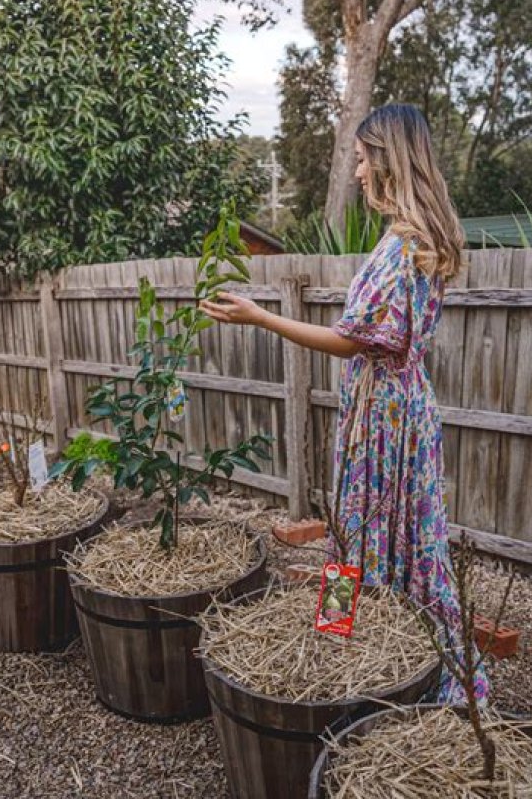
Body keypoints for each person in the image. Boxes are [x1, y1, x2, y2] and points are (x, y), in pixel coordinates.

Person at [200, 103, 488, 706]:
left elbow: (352, 341)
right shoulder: (408, 238)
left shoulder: (406, 244)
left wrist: (260, 318)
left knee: (362, 528)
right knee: (385, 532)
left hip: (386, 415)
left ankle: (359, 645)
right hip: (390, 406)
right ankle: (356, 643)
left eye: (361, 159)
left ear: (387, 160)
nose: (357, 172)